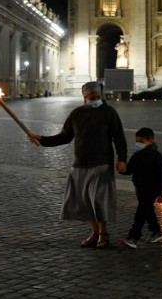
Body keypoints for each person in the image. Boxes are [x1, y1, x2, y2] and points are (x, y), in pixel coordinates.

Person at [27, 81, 127, 249]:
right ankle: (94, 233)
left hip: (101, 162)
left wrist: (122, 159)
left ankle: (104, 233)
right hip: (80, 163)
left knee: (99, 200)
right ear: (85, 98)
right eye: (92, 97)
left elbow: (119, 138)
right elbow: (64, 136)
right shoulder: (76, 113)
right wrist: (42, 139)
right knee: (85, 201)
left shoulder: (109, 113)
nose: (95, 100)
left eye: (97, 97)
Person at [120, 127, 162, 248]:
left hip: (151, 189)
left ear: (150, 141)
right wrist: (123, 170)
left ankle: (133, 237)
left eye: (141, 141)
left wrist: (161, 193)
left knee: (140, 213)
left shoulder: (156, 157)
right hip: (140, 188)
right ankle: (156, 232)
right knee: (148, 211)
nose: (138, 143)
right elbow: (129, 169)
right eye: (137, 141)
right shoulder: (137, 155)